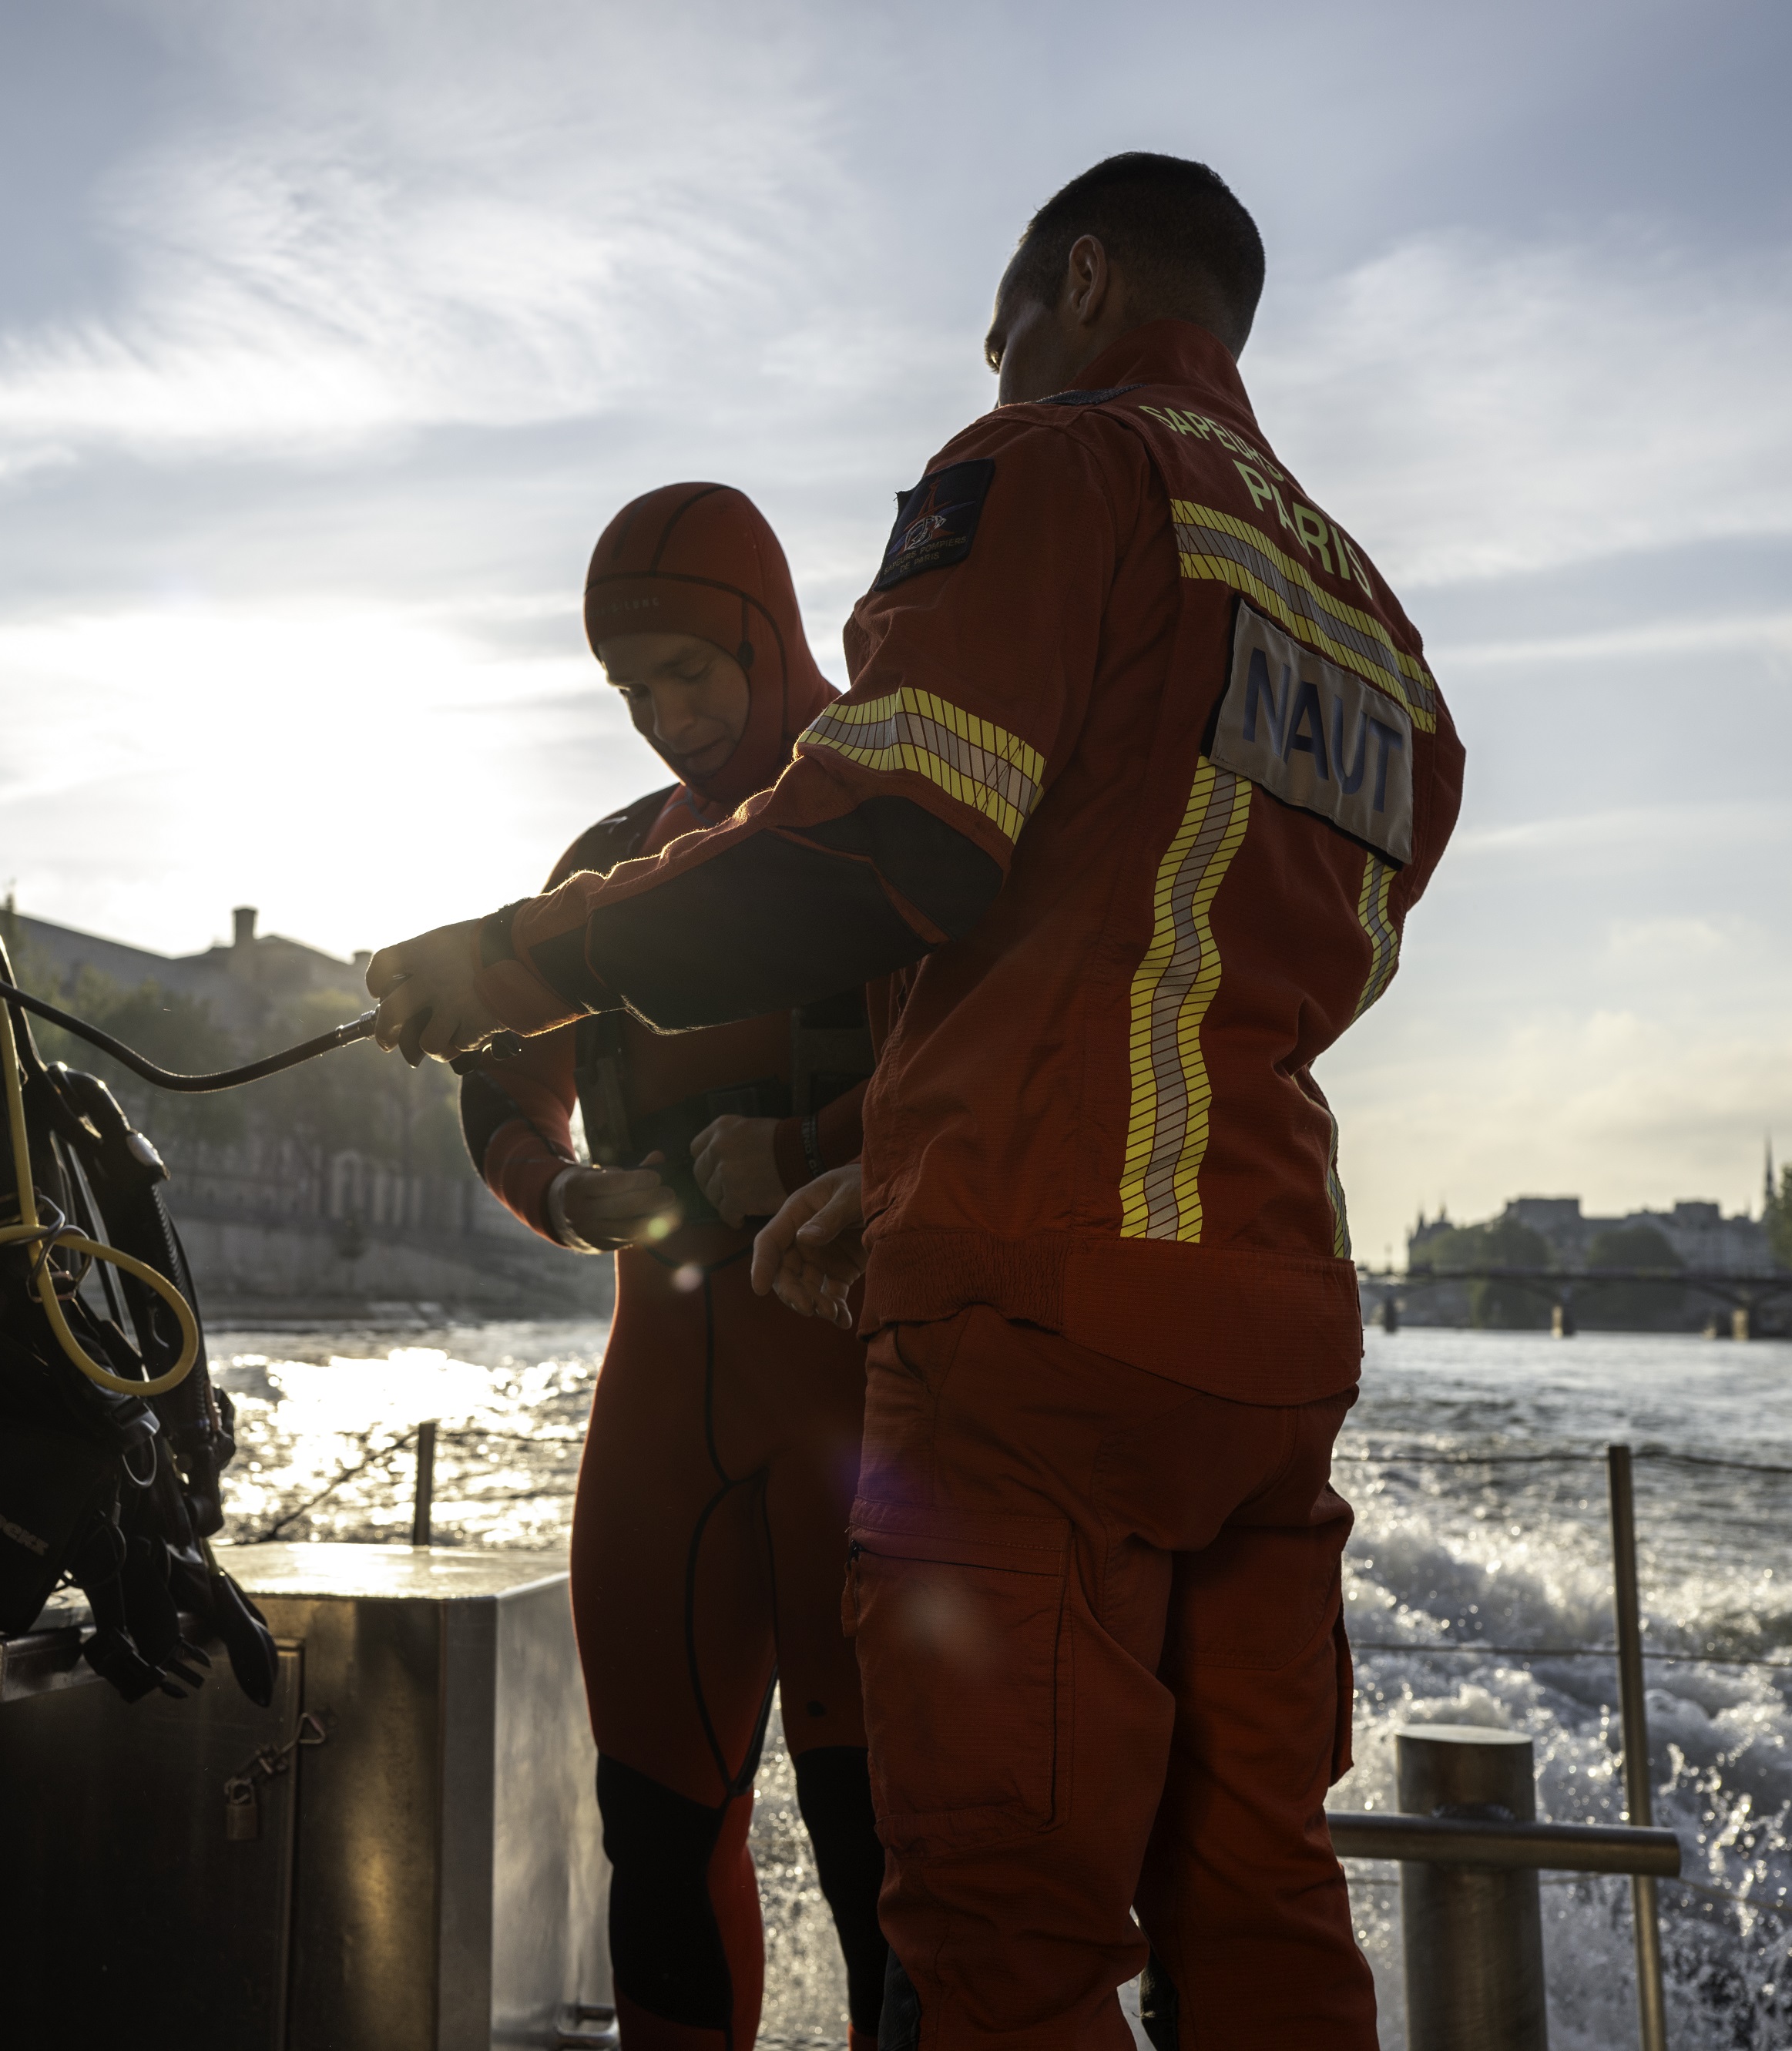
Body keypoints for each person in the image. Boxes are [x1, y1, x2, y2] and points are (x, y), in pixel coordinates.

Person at [368, 153, 1465, 2048]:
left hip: (1029, 1306)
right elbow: (1298, 962)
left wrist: (514, 959)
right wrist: (846, 1156)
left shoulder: (1057, 465)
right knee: (1256, 1893)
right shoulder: (1370, 625)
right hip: (1267, 1317)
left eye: (1007, 328)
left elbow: (889, 838)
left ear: (1086, 280)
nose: (1002, 366)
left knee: (996, 1932)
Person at [463, 482, 891, 2051]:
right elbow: (497, 1079)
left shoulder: (884, 820)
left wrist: (808, 1144)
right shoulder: (599, 870)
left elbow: (991, 1059)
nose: (664, 719)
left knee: (882, 1860)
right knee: (651, 1832)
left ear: (767, 634)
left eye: (691, 676)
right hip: (659, 1412)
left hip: (861, 1409)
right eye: (631, 691)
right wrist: (569, 1191)